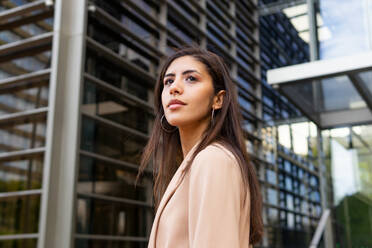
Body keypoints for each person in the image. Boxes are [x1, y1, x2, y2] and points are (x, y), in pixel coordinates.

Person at [137, 47, 263, 248]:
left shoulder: (213, 159)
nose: (174, 88)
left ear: (218, 99)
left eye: (191, 79)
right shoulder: (195, 163)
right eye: (168, 81)